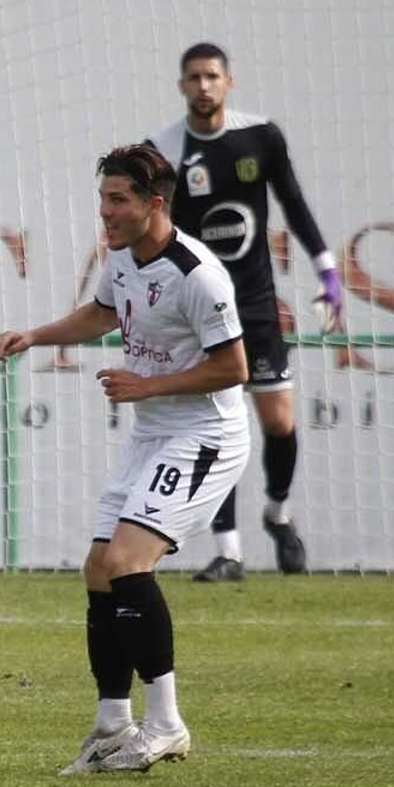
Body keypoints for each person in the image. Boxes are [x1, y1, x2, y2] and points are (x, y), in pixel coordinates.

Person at [0, 145, 249, 773]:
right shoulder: (123, 257)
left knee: (129, 562)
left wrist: (146, 387)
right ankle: (112, 724)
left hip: (205, 435)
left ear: (154, 204)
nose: (104, 213)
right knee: (100, 570)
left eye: (117, 200)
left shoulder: (198, 274)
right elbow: (103, 313)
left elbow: (233, 368)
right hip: (153, 433)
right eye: (103, 198)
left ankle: (166, 724)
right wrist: (36, 335)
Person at [147, 42, 343, 581]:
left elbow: (293, 203)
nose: (203, 85)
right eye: (194, 77)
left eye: (212, 76)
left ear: (229, 81)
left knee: (278, 424)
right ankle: (228, 551)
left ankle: (278, 515)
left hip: (256, 306)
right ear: (181, 84)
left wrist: (327, 270)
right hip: (199, 311)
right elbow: (153, 231)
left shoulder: (260, 137)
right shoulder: (163, 150)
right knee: (216, 427)